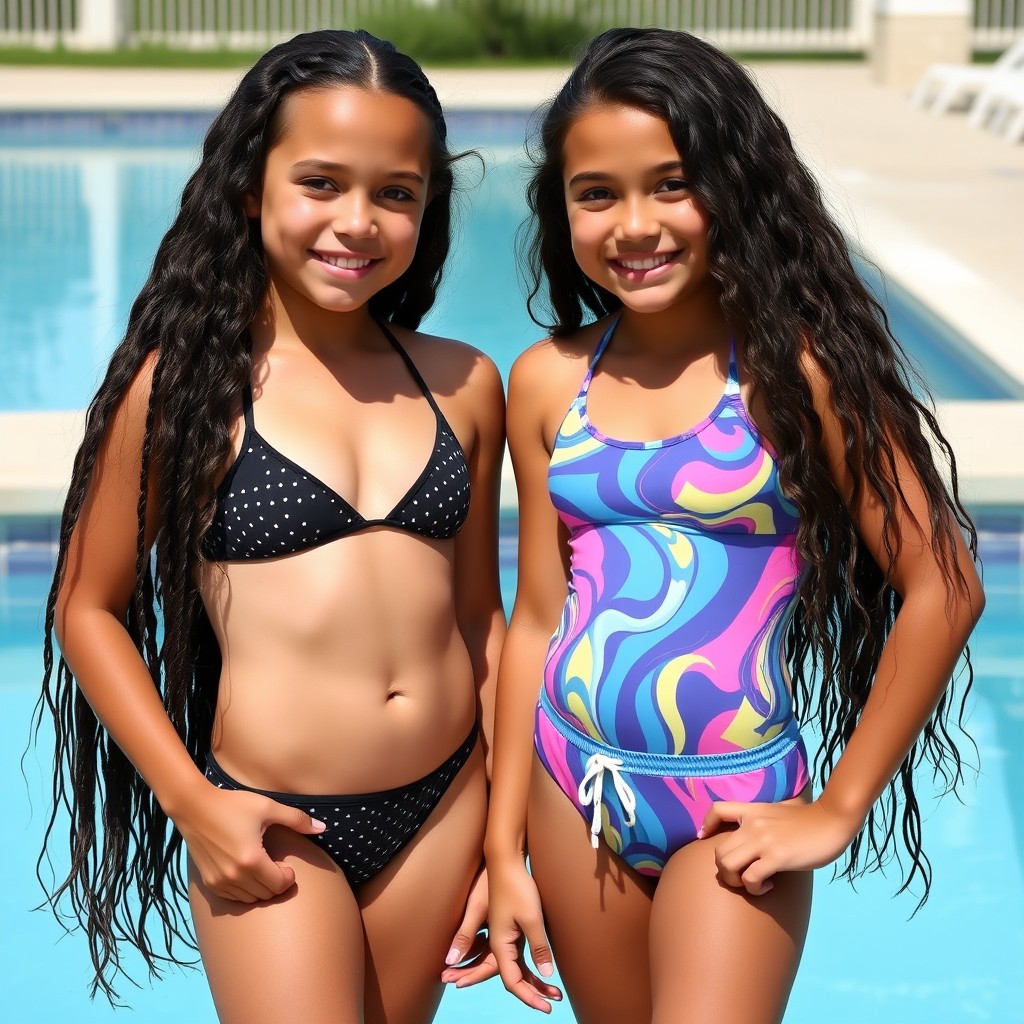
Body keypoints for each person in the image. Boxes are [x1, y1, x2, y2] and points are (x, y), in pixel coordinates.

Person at [485, 27, 985, 1024]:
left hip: (730, 800)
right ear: (561, 210)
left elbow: (945, 582)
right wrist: (502, 849)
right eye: (597, 194)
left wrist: (837, 807)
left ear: (735, 186)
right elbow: (534, 620)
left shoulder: (796, 369)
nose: (635, 224)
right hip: (572, 782)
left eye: (672, 184)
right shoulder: (547, 381)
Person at [36, 29, 506, 1024]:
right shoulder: (184, 388)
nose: (358, 220)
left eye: (395, 192)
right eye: (322, 183)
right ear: (251, 186)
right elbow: (87, 605)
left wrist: (506, 841)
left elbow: (482, 620)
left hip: (445, 797)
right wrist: (191, 800)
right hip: (276, 817)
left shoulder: (463, 381)